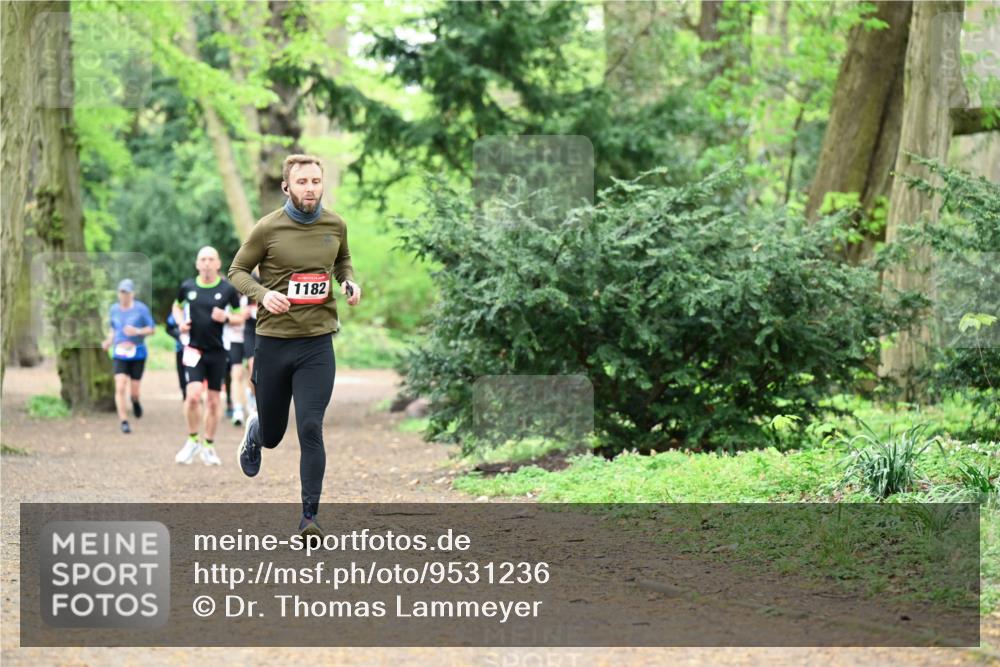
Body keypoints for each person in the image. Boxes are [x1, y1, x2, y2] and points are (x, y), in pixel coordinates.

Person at [229, 154, 361, 537]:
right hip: (273, 343)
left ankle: (309, 517)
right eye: (302, 182)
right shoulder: (268, 228)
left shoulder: (335, 224)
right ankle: (256, 433)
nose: (310, 188)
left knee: (310, 427)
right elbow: (236, 271)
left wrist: (348, 281)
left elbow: (343, 261)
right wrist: (262, 293)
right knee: (274, 434)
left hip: (317, 344)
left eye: (316, 181)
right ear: (287, 186)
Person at [172, 246, 245, 466]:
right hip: (193, 350)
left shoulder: (227, 289)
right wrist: (180, 323)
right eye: (202, 259)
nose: (206, 263)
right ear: (197, 264)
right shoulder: (188, 287)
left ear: (218, 263)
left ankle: (208, 445)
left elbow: (240, 316)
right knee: (193, 396)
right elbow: (176, 308)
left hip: (218, 352)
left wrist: (226, 317)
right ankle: (193, 439)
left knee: (213, 402)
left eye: (210, 259)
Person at [102, 279, 155, 434]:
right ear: (118, 293)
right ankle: (124, 421)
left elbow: (152, 329)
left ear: (132, 294)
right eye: (121, 292)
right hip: (119, 353)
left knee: (134, 391)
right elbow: (113, 329)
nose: (124, 295)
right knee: (120, 385)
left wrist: (137, 331)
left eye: (127, 292)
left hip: (137, 352)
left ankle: (135, 401)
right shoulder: (114, 309)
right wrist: (108, 342)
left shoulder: (141, 309)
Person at [223, 293, 250, 426]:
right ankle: (237, 409)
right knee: (236, 374)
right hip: (234, 341)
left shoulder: (250, 298)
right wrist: (235, 318)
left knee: (251, 374)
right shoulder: (227, 298)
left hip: (251, 339)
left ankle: (252, 405)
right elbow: (228, 317)